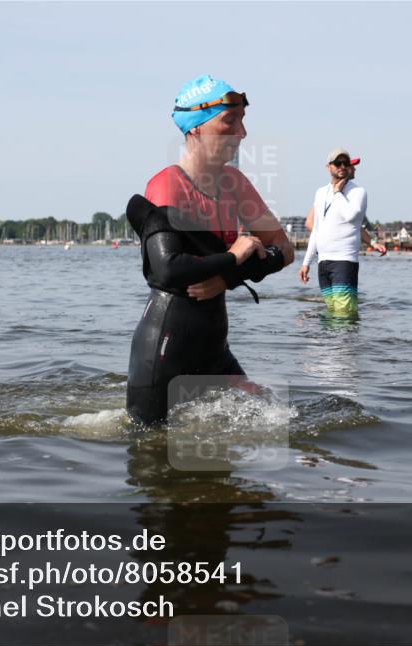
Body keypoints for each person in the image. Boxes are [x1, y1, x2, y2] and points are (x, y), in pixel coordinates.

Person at [125, 75, 294, 426]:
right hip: (165, 348)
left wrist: (228, 277)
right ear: (197, 129)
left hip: (214, 348)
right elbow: (167, 270)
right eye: (229, 121)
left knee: (277, 418)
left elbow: (285, 248)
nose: (242, 133)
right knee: (153, 450)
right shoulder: (168, 185)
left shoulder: (236, 185)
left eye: (243, 121)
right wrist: (234, 258)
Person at [298, 149, 385, 317]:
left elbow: (351, 216)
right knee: (331, 312)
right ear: (328, 167)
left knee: (344, 314)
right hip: (323, 261)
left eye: (346, 163)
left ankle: (346, 344)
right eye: (338, 163)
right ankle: (330, 344)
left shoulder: (358, 192)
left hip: (344, 260)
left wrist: (338, 192)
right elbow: (316, 229)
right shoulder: (320, 192)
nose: (343, 166)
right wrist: (306, 262)